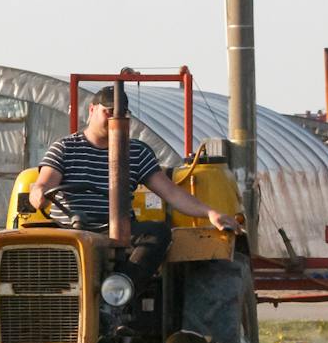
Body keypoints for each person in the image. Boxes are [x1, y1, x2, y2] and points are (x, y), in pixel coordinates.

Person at [29, 86, 238, 285]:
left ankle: (119, 290)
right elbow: (45, 182)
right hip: (68, 227)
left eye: (119, 115)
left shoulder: (136, 152)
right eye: (108, 112)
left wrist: (210, 213)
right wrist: (39, 193)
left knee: (159, 233)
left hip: (115, 229)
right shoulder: (65, 148)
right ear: (92, 110)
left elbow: (171, 192)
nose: (113, 119)